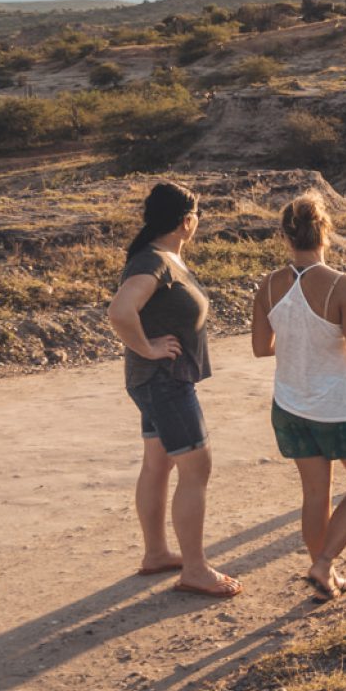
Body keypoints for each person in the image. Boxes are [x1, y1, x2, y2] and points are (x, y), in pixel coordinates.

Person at [251, 192, 346, 601]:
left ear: (285, 235)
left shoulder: (268, 285)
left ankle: (325, 576)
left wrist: (299, 339)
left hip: (290, 405)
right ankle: (324, 563)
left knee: (315, 494)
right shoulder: (341, 284)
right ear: (326, 232)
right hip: (340, 407)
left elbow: (262, 347)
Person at [107, 181, 241, 598]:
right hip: (165, 382)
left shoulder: (164, 258)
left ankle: (157, 554)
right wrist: (147, 347)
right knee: (196, 468)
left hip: (157, 381)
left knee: (158, 464)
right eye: (196, 217)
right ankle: (196, 569)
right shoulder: (153, 262)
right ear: (187, 221)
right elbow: (120, 310)